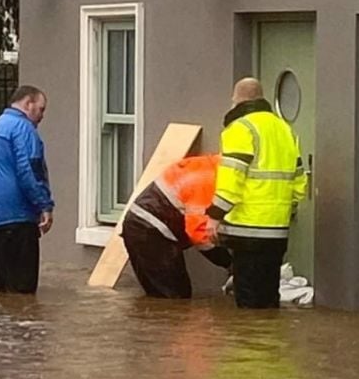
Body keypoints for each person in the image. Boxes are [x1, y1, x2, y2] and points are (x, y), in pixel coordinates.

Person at [205, 78, 307, 309]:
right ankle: (270, 342)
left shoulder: (240, 129)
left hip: (247, 229)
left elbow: (232, 178)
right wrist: (287, 209)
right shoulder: (285, 129)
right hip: (277, 230)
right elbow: (299, 181)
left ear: (237, 100)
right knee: (269, 297)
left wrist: (214, 215)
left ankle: (247, 345)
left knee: (248, 303)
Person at [120, 154, 233, 299]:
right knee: (175, 297)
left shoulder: (211, 166)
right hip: (149, 229)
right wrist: (229, 263)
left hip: (143, 226)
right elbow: (199, 234)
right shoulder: (207, 179)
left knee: (160, 300)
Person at [0, 85, 54, 293]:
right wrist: (45, 206)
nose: (41, 116)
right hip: (17, 221)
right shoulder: (24, 129)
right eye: (41, 109)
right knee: (23, 296)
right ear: (28, 104)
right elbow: (30, 171)